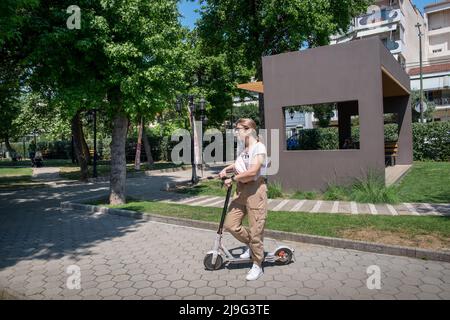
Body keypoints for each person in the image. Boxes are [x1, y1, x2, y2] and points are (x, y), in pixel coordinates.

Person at [219, 118, 268, 281]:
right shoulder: (245, 148)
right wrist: (227, 169)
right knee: (230, 224)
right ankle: (252, 246)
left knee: (256, 230)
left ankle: (257, 264)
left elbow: (253, 172)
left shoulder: (259, 147)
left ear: (248, 130)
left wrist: (232, 179)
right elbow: (240, 164)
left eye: (238, 129)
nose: (236, 132)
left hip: (255, 190)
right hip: (241, 191)